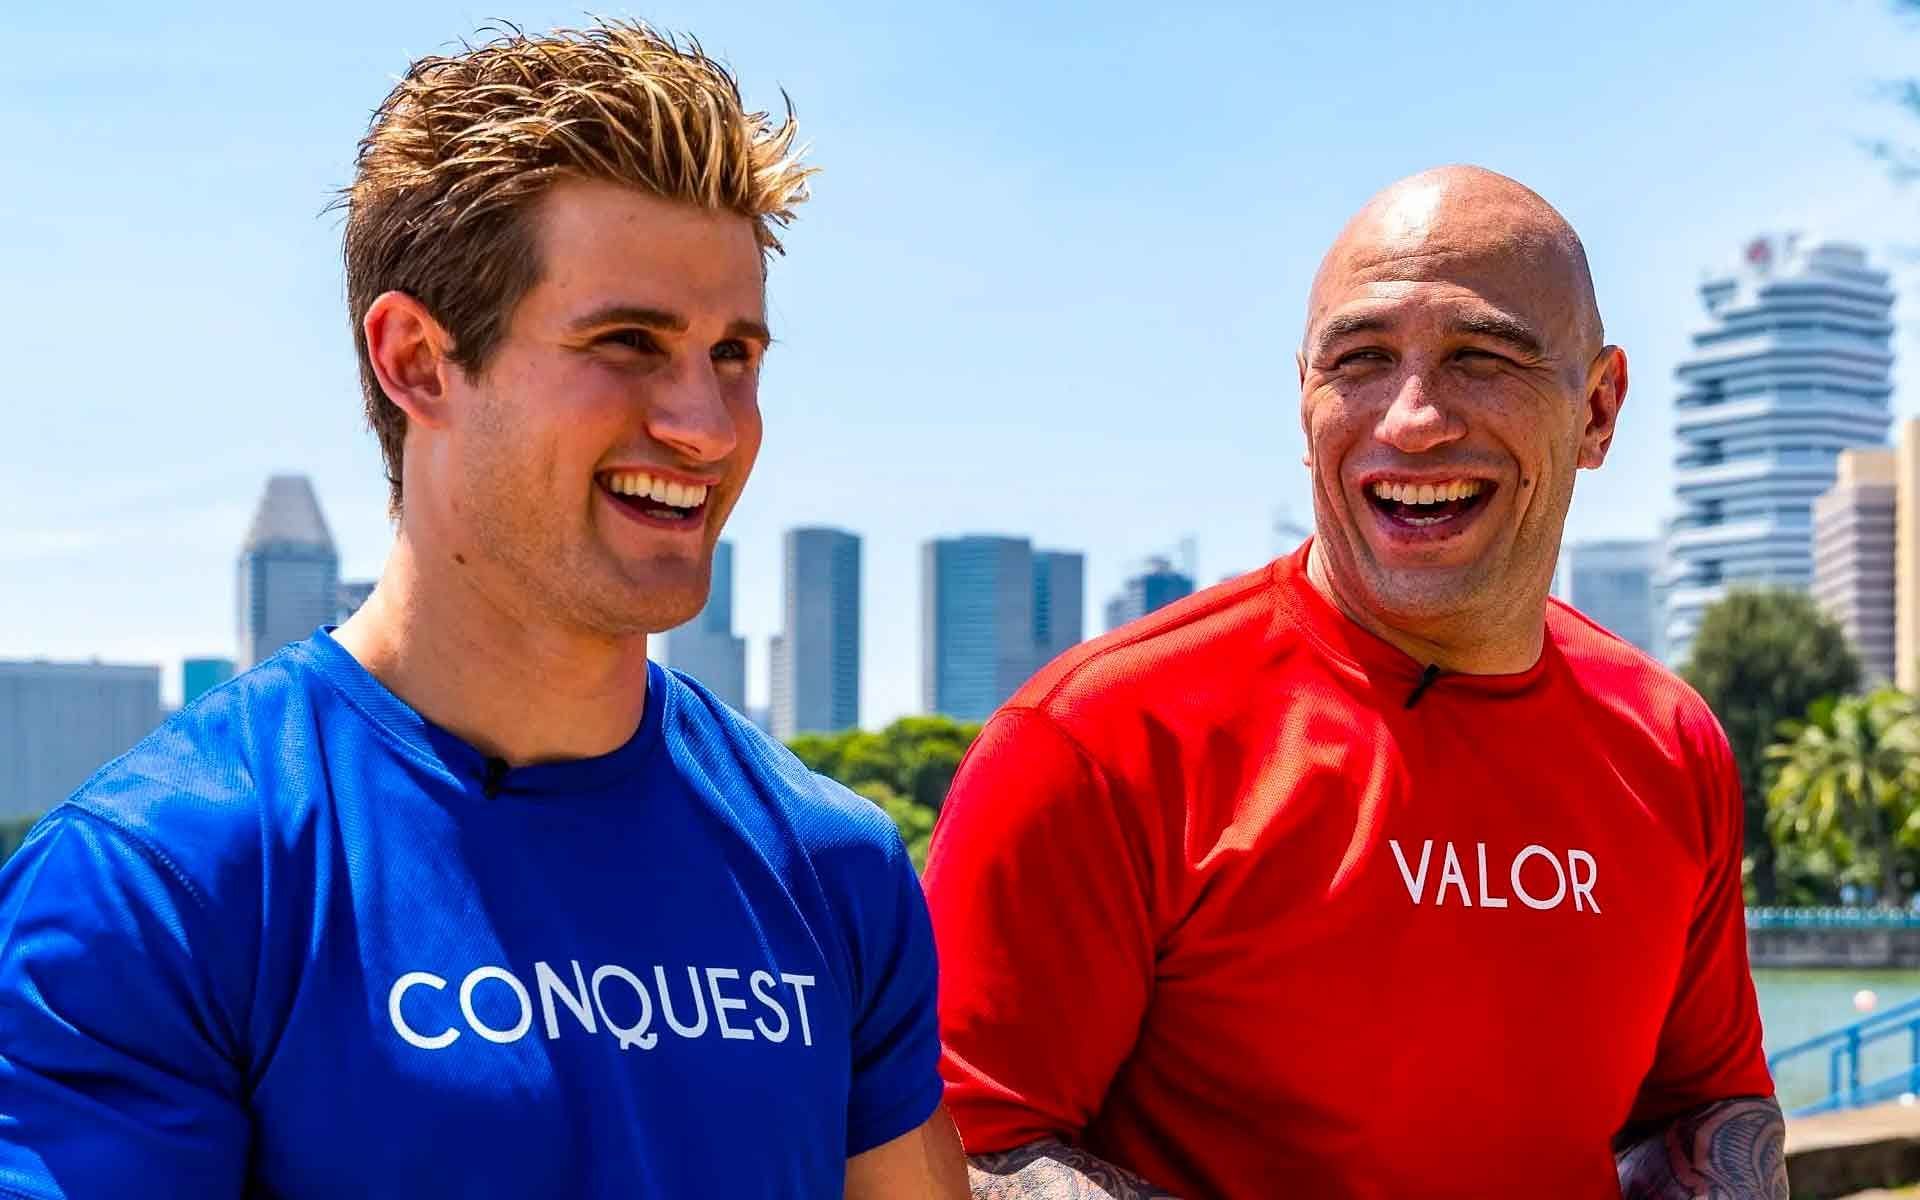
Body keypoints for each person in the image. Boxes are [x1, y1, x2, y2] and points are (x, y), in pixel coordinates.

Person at [0, 22, 964, 1199]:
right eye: (628, 343)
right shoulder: (167, 883)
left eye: (734, 354)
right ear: (417, 360)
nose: (707, 426)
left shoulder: (833, 866)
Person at [925, 166, 1783, 1199]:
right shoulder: (1096, 741)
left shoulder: (1669, 741)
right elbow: (958, 1156)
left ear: (1598, 410)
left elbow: (1705, 1107)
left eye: (1481, 358)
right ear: (1304, 400)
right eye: (1360, 361)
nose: (1413, 418)